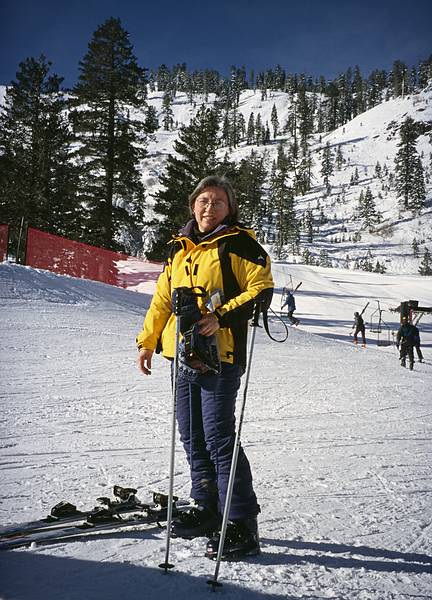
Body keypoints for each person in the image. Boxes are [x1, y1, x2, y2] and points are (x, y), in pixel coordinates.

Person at [136, 175, 273, 560]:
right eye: (203, 201)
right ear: (192, 205)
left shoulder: (240, 244)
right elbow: (162, 299)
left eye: (217, 202)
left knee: (218, 439)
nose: (209, 207)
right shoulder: (178, 250)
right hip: (183, 355)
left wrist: (221, 316)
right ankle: (206, 508)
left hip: (221, 356)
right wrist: (147, 341)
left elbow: (261, 288)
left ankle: (242, 523)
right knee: (193, 436)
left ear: (229, 209)